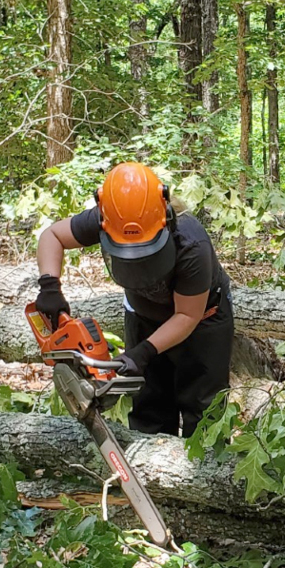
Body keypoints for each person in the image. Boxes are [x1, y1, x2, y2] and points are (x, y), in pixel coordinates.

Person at [34, 162, 233, 438]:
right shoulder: (108, 218)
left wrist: (144, 352)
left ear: (164, 217)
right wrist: (49, 286)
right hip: (143, 317)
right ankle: (150, 470)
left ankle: (204, 478)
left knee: (203, 414)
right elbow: (52, 235)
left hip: (202, 322)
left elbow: (187, 316)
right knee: (148, 409)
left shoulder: (191, 244)